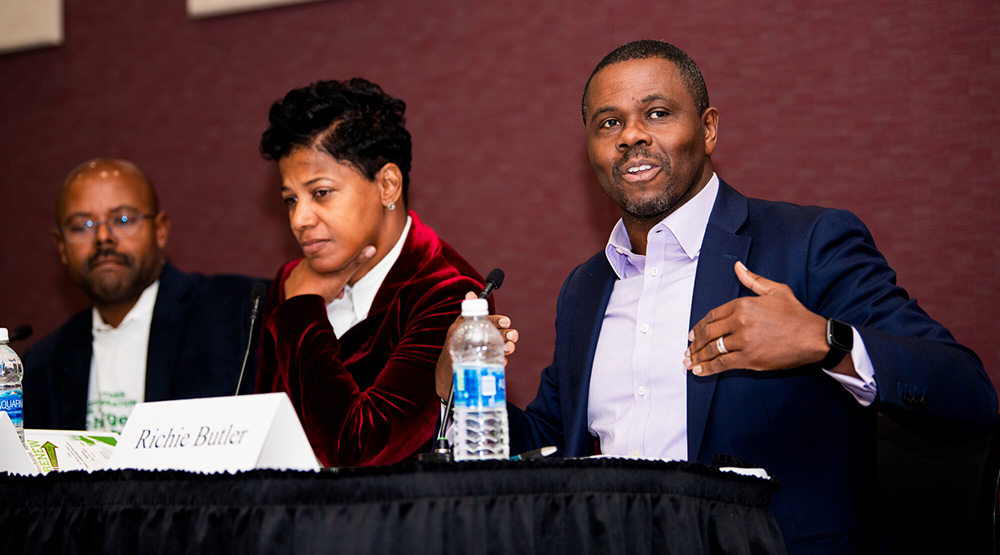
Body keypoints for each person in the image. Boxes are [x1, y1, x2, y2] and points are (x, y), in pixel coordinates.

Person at [436, 40, 997, 553]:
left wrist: (825, 341)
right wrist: (458, 391)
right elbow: (551, 444)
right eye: (609, 122)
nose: (631, 134)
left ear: (707, 129)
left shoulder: (806, 245)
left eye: (657, 113)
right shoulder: (585, 289)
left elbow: (968, 392)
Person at [254, 77, 485, 468]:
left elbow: (360, 452)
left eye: (321, 193)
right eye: (291, 199)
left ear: (388, 185)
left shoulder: (450, 293)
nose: (299, 219)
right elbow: (255, 430)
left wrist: (303, 312)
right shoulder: (292, 281)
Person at [23, 159, 266, 432]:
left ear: (160, 230)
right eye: (82, 226)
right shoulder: (40, 366)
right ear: (61, 247)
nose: (103, 237)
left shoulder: (239, 315)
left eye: (123, 220)